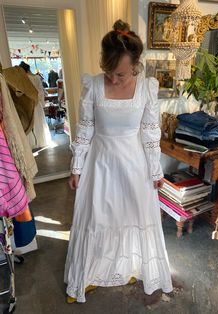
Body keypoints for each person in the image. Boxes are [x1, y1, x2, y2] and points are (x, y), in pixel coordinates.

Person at [64, 19, 173, 304]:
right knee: (98, 219)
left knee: (129, 219)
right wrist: (77, 166)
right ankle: (87, 274)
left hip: (133, 166)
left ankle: (126, 266)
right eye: (109, 72)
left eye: (121, 74)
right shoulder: (93, 85)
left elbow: (150, 133)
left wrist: (155, 171)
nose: (113, 79)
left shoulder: (147, 87)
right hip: (99, 164)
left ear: (136, 64)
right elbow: (85, 129)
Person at [19, 61, 51, 149]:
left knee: (29, 123)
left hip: (27, 104)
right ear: (29, 69)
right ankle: (41, 141)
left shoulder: (23, 79)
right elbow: (41, 91)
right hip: (37, 103)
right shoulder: (36, 77)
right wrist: (41, 103)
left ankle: (31, 143)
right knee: (39, 122)